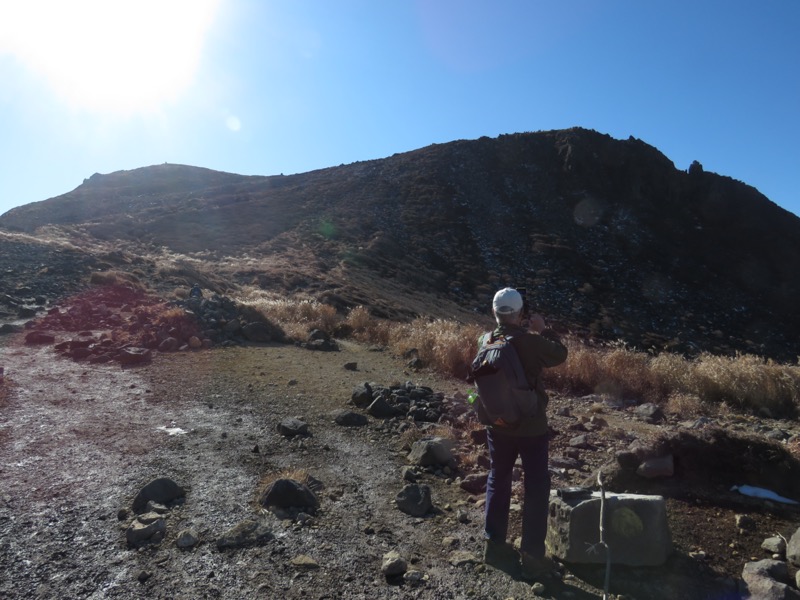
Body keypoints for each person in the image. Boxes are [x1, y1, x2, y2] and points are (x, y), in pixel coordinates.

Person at [482, 287, 568, 580]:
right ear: (520, 314)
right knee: (536, 486)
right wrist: (545, 330)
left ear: (495, 312)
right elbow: (560, 355)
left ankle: (493, 545)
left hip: (497, 424)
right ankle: (532, 555)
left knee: (498, 477)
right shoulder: (531, 342)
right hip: (531, 427)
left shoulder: (486, 339)